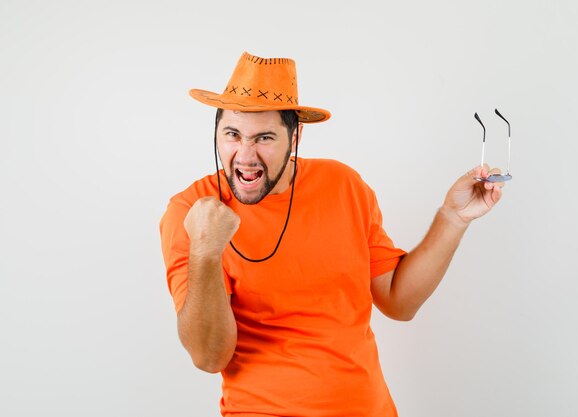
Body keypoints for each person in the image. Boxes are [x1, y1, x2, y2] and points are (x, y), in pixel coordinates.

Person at [159, 51, 505, 417]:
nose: (245, 155)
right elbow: (209, 356)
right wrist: (205, 251)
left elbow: (398, 301)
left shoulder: (343, 185)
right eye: (232, 135)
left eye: (263, 137)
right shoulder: (192, 211)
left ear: (295, 137)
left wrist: (453, 218)